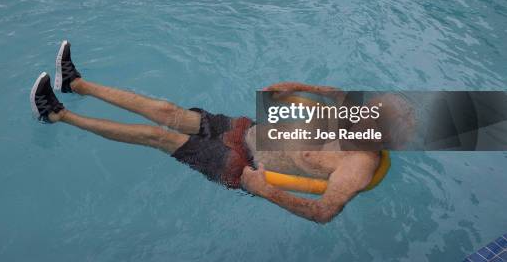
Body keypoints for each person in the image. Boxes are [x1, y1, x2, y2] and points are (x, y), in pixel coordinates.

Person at [29, 42, 411, 223]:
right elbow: (270, 94)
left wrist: (265, 189)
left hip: (243, 165)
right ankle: (75, 84)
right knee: (166, 111)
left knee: (157, 136)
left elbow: (325, 212)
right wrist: (326, 91)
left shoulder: (359, 165)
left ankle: (57, 116)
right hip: (244, 129)